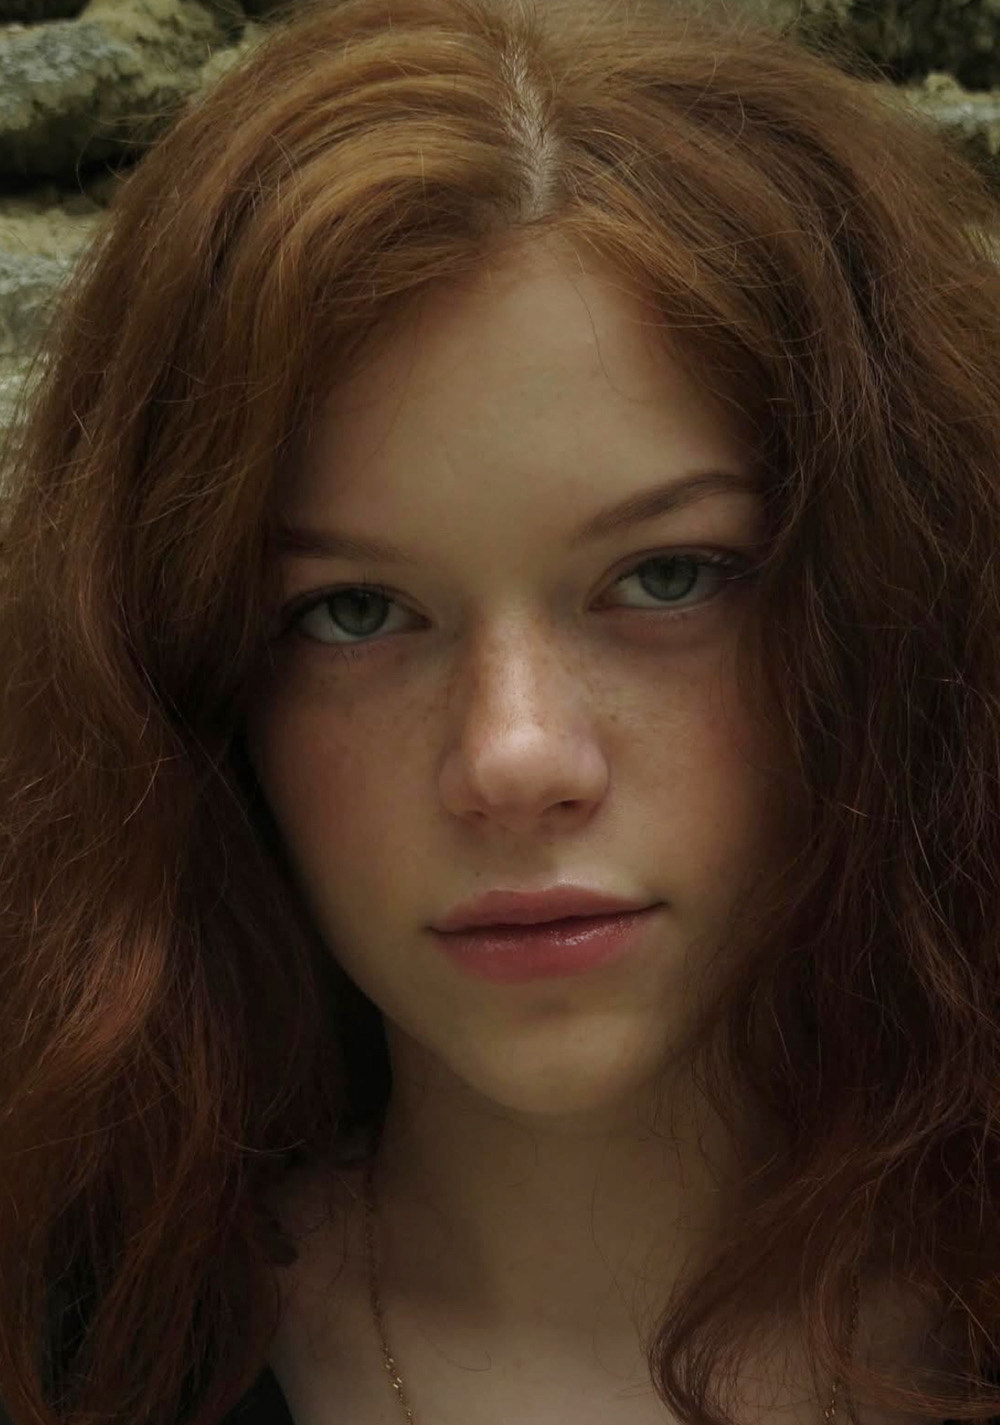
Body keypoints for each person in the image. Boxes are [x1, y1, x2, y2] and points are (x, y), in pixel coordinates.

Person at [0, 0, 999, 1420]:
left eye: (667, 577)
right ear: (192, 695)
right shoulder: (74, 1364)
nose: (515, 756)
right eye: (354, 611)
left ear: (894, 611)